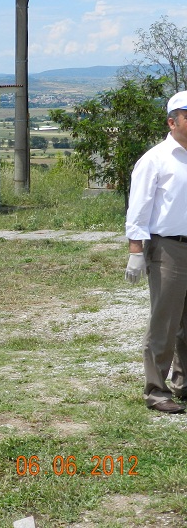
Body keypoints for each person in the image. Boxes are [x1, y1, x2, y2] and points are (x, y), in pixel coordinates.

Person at [125, 90, 187, 414]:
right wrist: (136, 250)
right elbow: (139, 208)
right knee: (165, 320)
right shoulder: (156, 159)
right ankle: (156, 390)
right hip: (169, 247)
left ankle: (184, 383)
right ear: (172, 121)